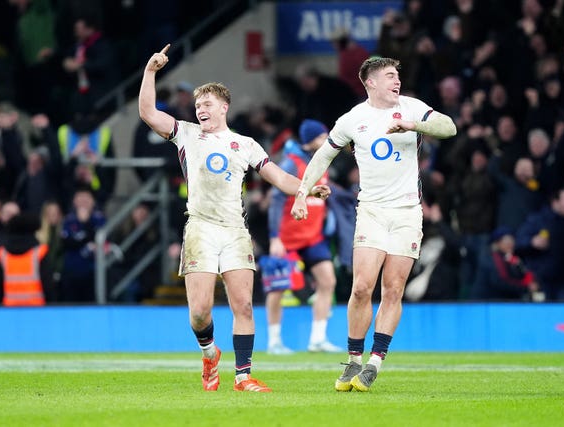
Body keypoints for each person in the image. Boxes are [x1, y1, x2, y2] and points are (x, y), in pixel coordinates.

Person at [138, 44, 330, 393]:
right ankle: (210, 353)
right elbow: (148, 112)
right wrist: (151, 72)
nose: (200, 110)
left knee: (242, 303)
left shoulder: (245, 144)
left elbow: (277, 177)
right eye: (198, 106)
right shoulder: (186, 133)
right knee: (199, 312)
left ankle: (243, 377)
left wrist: (307, 189)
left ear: (223, 108)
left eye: (207, 104)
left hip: (234, 230)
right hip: (200, 227)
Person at [290, 57, 456, 392]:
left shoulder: (412, 108)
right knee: (362, 287)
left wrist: (413, 125)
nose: (397, 81)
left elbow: (449, 127)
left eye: (398, 75)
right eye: (390, 76)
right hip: (372, 211)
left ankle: (375, 362)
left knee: (393, 289)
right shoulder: (354, 119)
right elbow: (323, 155)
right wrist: (301, 193)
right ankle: (353, 360)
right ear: (371, 82)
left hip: (408, 213)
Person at [265, 119, 342, 354]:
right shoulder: (291, 163)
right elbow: (276, 202)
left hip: (313, 237)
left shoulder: (323, 164)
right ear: (310, 141)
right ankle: (274, 341)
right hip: (287, 238)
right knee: (277, 289)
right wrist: (274, 237)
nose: (327, 140)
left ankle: (317, 339)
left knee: (328, 281)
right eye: (322, 137)